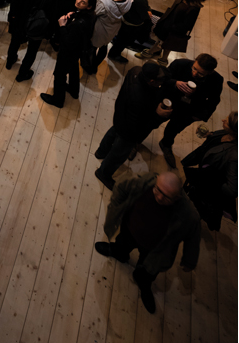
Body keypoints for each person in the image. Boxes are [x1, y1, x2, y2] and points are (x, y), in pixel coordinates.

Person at [95, 171, 200, 314]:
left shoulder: (188, 214)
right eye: (158, 190)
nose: (160, 197)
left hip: (156, 249)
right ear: (156, 181)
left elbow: (193, 235)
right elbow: (121, 186)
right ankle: (118, 252)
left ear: (178, 197)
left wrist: (189, 261)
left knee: (149, 270)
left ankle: (143, 282)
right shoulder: (146, 182)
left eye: (167, 196)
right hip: (130, 230)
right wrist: (116, 207)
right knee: (122, 243)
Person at [94, 62, 171, 190]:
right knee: (119, 153)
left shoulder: (135, 70)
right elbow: (139, 125)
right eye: (159, 83)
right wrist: (158, 115)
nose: (160, 85)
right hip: (129, 131)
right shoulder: (141, 98)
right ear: (151, 81)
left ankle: (101, 152)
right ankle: (103, 173)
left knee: (113, 132)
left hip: (120, 115)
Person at [158, 52, 224, 168]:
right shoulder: (180, 64)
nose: (194, 73)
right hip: (170, 102)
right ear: (194, 61)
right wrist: (175, 83)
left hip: (189, 111)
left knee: (174, 129)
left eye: (200, 74)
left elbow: (214, 100)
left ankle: (166, 144)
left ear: (210, 72)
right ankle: (136, 141)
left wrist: (200, 115)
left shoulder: (217, 79)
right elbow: (163, 79)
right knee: (153, 121)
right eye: (194, 68)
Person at [182, 111, 238, 231]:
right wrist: (208, 134)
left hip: (208, 186)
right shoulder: (227, 133)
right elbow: (216, 142)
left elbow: (232, 189)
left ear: (234, 130)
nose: (223, 120)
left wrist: (213, 180)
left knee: (196, 205)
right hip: (203, 170)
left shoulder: (234, 156)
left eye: (226, 122)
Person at [40, 0, 97, 107]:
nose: (79, 1)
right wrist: (75, 14)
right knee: (73, 68)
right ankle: (73, 90)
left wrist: (62, 26)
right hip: (78, 50)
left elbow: (67, 41)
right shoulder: (91, 15)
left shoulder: (78, 24)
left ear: (89, 6)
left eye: (83, 2)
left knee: (60, 75)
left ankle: (58, 100)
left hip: (68, 52)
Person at [137, 0, 206, 64]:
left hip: (171, 30)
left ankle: (149, 53)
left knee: (161, 43)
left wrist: (170, 27)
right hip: (168, 26)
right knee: (166, 44)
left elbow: (186, 25)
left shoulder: (194, 8)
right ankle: (163, 60)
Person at [7, 0, 57, 79]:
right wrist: (48, 33)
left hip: (20, 21)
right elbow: (51, 16)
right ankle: (22, 73)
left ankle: (10, 62)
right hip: (36, 26)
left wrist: (12, 17)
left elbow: (15, 2)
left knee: (14, 42)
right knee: (32, 51)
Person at [85, 0, 133, 74]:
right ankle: (96, 65)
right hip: (113, 28)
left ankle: (92, 66)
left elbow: (94, 13)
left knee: (93, 48)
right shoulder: (129, 0)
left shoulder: (104, 2)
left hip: (100, 29)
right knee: (104, 46)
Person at [109, 0, 157, 64]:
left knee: (120, 37)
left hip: (125, 15)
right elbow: (144, 15)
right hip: (132, 23)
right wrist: (148, 12)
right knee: (124, 41)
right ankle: (114, 54)